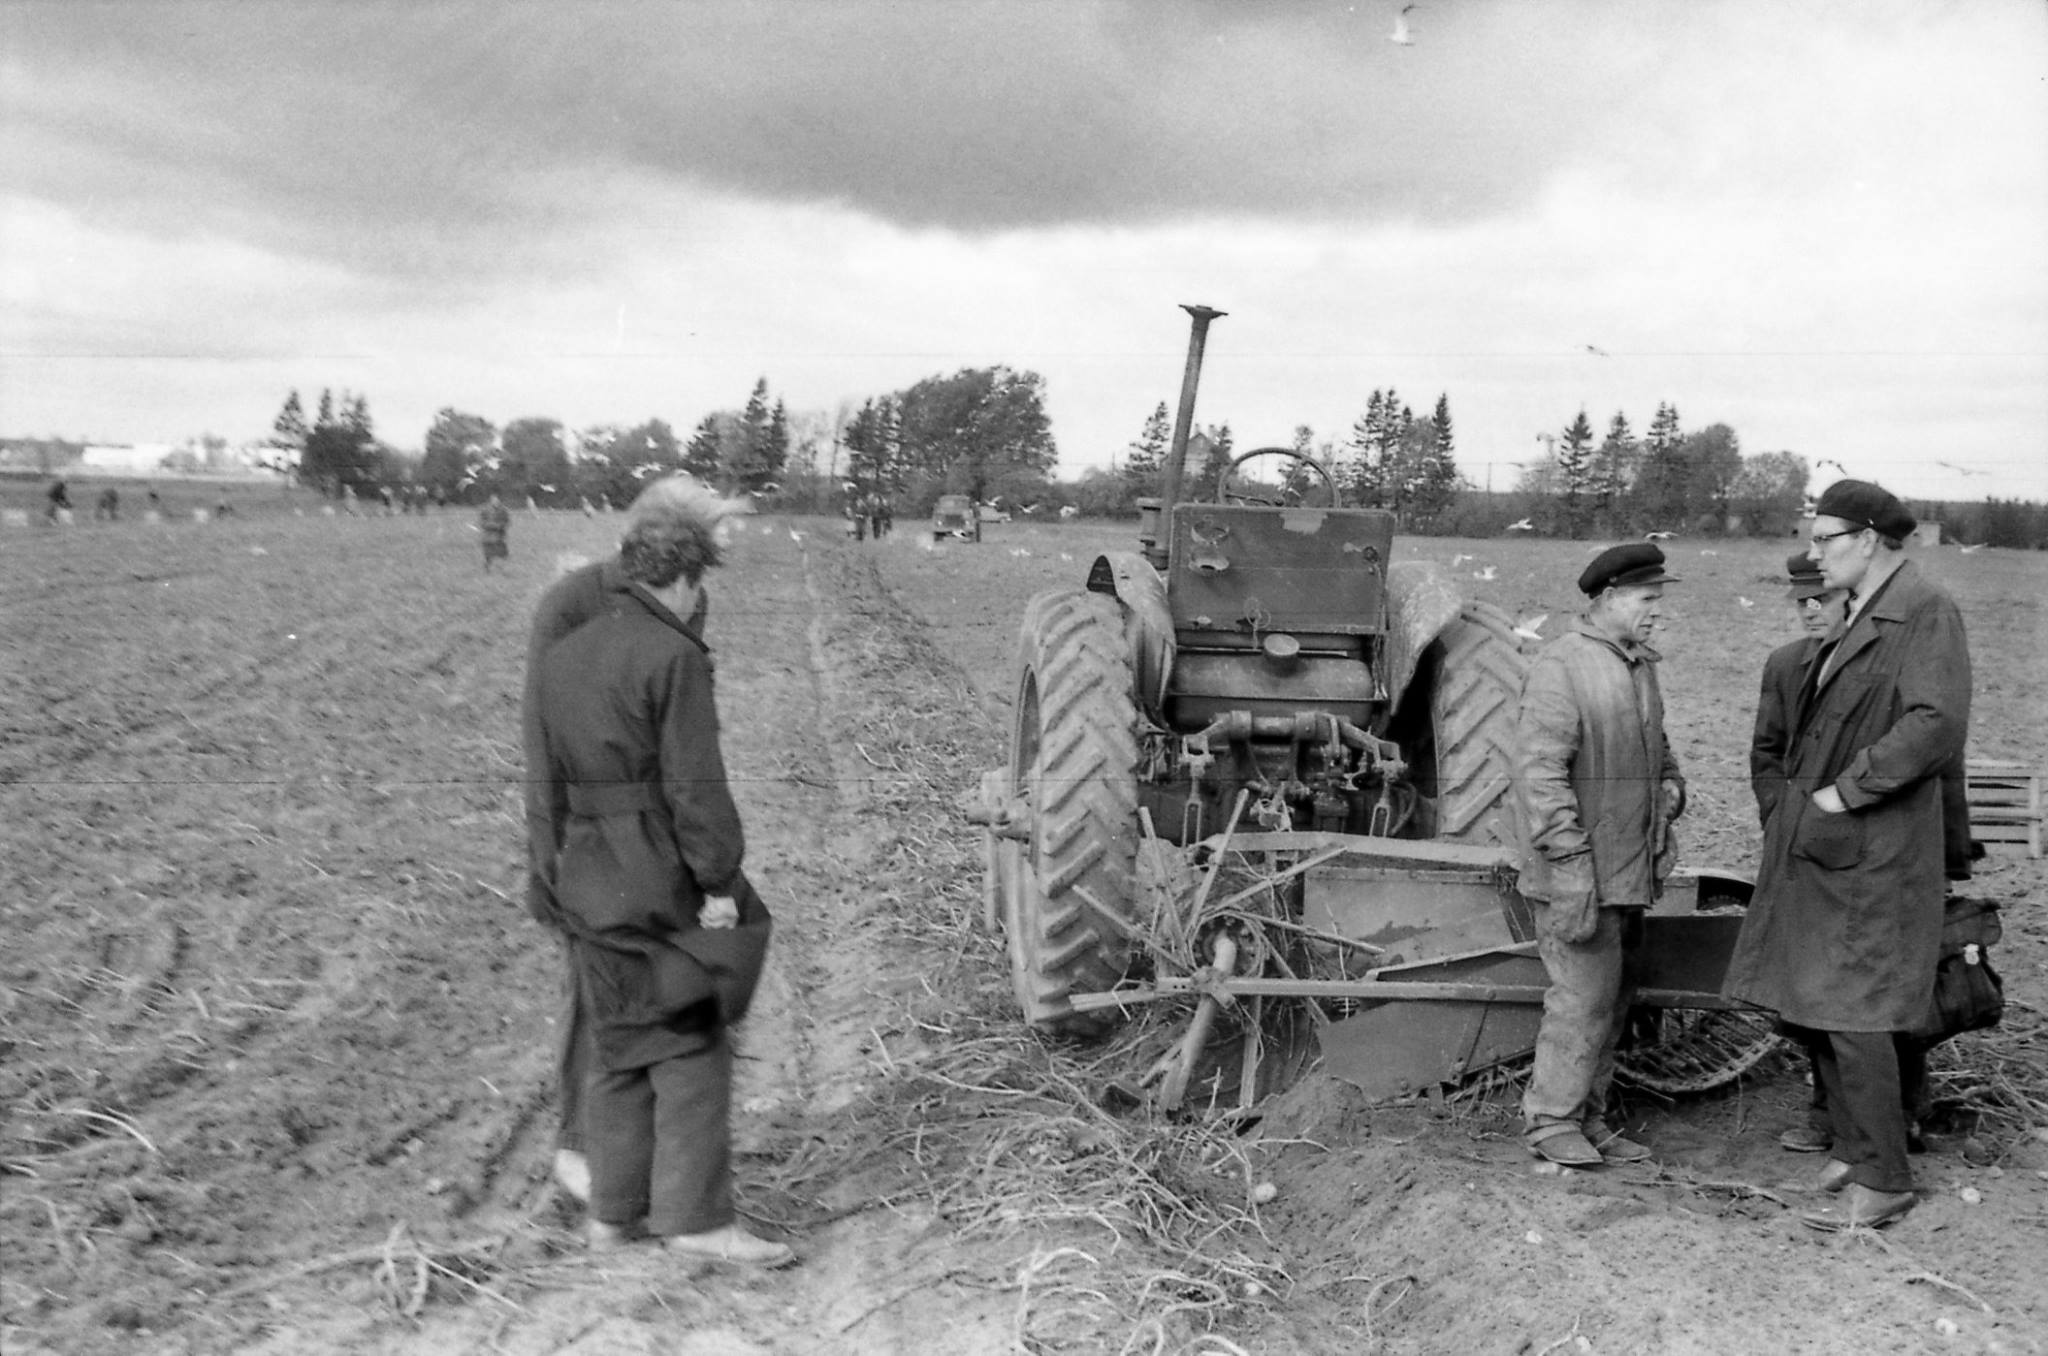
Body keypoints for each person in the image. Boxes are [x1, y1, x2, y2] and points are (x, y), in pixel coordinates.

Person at [528, 486, 788, 1266]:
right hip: (655, 866)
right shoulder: (674, 657)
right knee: (693, 1038)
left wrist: (550, 869)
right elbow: (695, 787)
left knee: (618, 1045)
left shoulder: (564, 654)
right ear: (684, 576)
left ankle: (613, 1218)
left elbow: (546, 775)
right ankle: (697, 1221)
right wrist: (718, 883)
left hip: (585, 866)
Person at [1724, 479, 1971, 1232]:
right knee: (1820, 998)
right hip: (1834, 844)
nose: (1815, 552)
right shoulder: (1866, 609)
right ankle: (1854, 1146)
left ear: (1867, 539)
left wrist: (1847, 791)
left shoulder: (1923, 609)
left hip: (1871, 846)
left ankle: (1885, 1176)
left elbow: (1936, 722)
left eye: (1825, 538)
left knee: (1853, 1007)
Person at [521, 477, 721, 1210]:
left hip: (655, 835)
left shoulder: (686, 598)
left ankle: (636, 1160)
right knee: (592, 995)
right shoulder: (570, 605)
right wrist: (546, 859)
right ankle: (579, 1148)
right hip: (591, 836)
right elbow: (541, 743)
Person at [1515, 543, 1686, 1168]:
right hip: (1580, 873)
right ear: (1609, 598)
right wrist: (1568, 863)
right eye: (1647, 599)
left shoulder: (1636, 664)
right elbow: (1540, 774)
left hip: (1627, 871)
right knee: (1581, 999)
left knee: (1612, 1002)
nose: (1657, 611)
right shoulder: (1563, 665)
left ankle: (1590, 1118)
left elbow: (1657, 744)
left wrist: (1671, 785)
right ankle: (1551, 1120)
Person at [478, 493, 511, 571]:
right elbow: (482, 522)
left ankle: (503, 569)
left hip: (499, 536)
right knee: (488, 553)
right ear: (490, 500)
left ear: (499, 500)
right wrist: (490, 525)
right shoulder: (485, 509)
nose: (495, 501)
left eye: (496, 500)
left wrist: (499, 526)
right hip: (488, 536)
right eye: (493, 500)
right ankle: (487, 567)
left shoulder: (504, 510)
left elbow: (507, 522)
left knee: (503, 554)